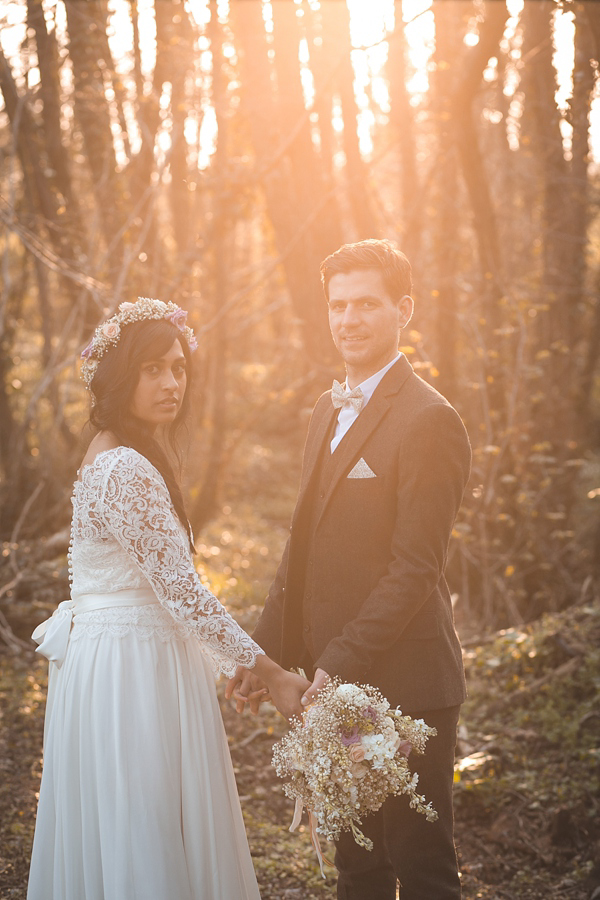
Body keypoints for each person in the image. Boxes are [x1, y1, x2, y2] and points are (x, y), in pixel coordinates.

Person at [27, 297, 309, 900]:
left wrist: (226, 662)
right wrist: (269, 671)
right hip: (131, 671)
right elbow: (181, 593)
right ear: (121, 377)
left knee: (144, 820)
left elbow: (165, 591)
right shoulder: (124, 467)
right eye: (152, 369)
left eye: (178, 368)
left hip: (129, 655)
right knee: (143, 821)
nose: (170, 382)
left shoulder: (122, 453)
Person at [227, 240, 472, 899]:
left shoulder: (429, 419)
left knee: (417, 858)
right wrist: (264, 652)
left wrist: (339, 660)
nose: (349, 319)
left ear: (404, 310)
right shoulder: (325, 409)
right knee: (357, 862)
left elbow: (415, 569)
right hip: (340, 693)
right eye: (338, 306)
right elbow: (300, 550)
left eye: (367, 304)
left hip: (405, 685)